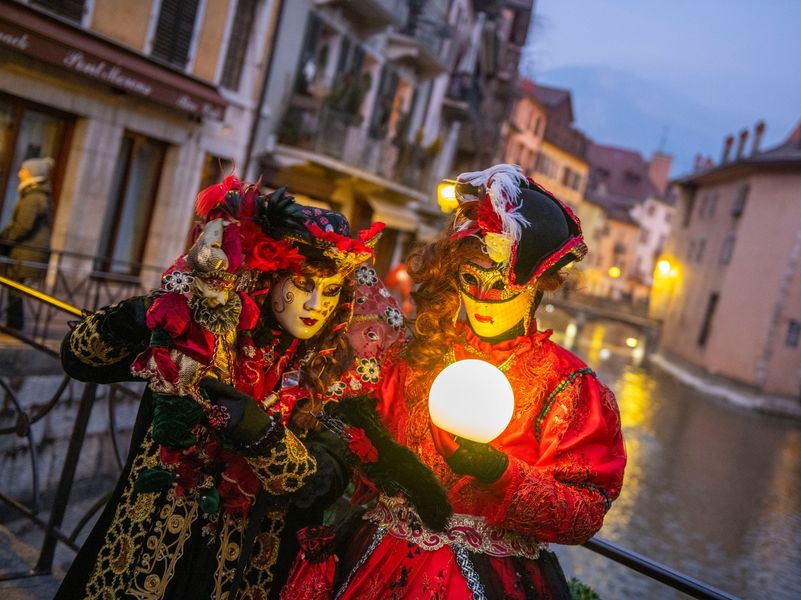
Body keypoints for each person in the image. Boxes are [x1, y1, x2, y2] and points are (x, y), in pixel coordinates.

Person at [283, 164, 627, 599]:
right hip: (376, 559)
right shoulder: (416, 353)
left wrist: (501, 474)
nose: (481, 298)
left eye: (499, 283)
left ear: (539, 285)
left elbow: (585, 514)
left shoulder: (569, 388)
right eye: (470, 278)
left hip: (491, 578)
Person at [54, 176, 397, 599]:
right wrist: (143, 315)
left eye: (329, 293)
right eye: (303, 286)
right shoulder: (204, 332)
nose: (314, 307)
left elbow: (322, 482)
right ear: (271, 280)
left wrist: (260, 433)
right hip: (142, 546)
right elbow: (80, 359)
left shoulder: (337, 378)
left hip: (243, 571)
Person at [0, 156, 54, 330]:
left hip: (25, 252)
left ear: (32, 174)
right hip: (28, 251)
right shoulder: (37, 194)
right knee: (16, 288)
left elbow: (23, 226)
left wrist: (5, 240)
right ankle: (14, 324)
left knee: (15, 288)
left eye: (23, 170)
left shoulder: (33, 197)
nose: (19, 173)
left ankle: (14, 325)